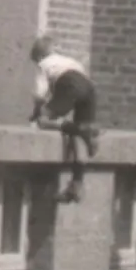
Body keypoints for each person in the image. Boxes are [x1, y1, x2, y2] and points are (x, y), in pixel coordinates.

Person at [29, 35, 101, 199]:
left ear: (39, 56)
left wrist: (37, 112)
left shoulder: (43, 65)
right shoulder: (68, 60)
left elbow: (40, 95)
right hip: (89, 88)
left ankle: (80, 129)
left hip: (70, 84)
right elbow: (82, 82)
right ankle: (76, 184)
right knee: (77, 139)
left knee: (43, 121)